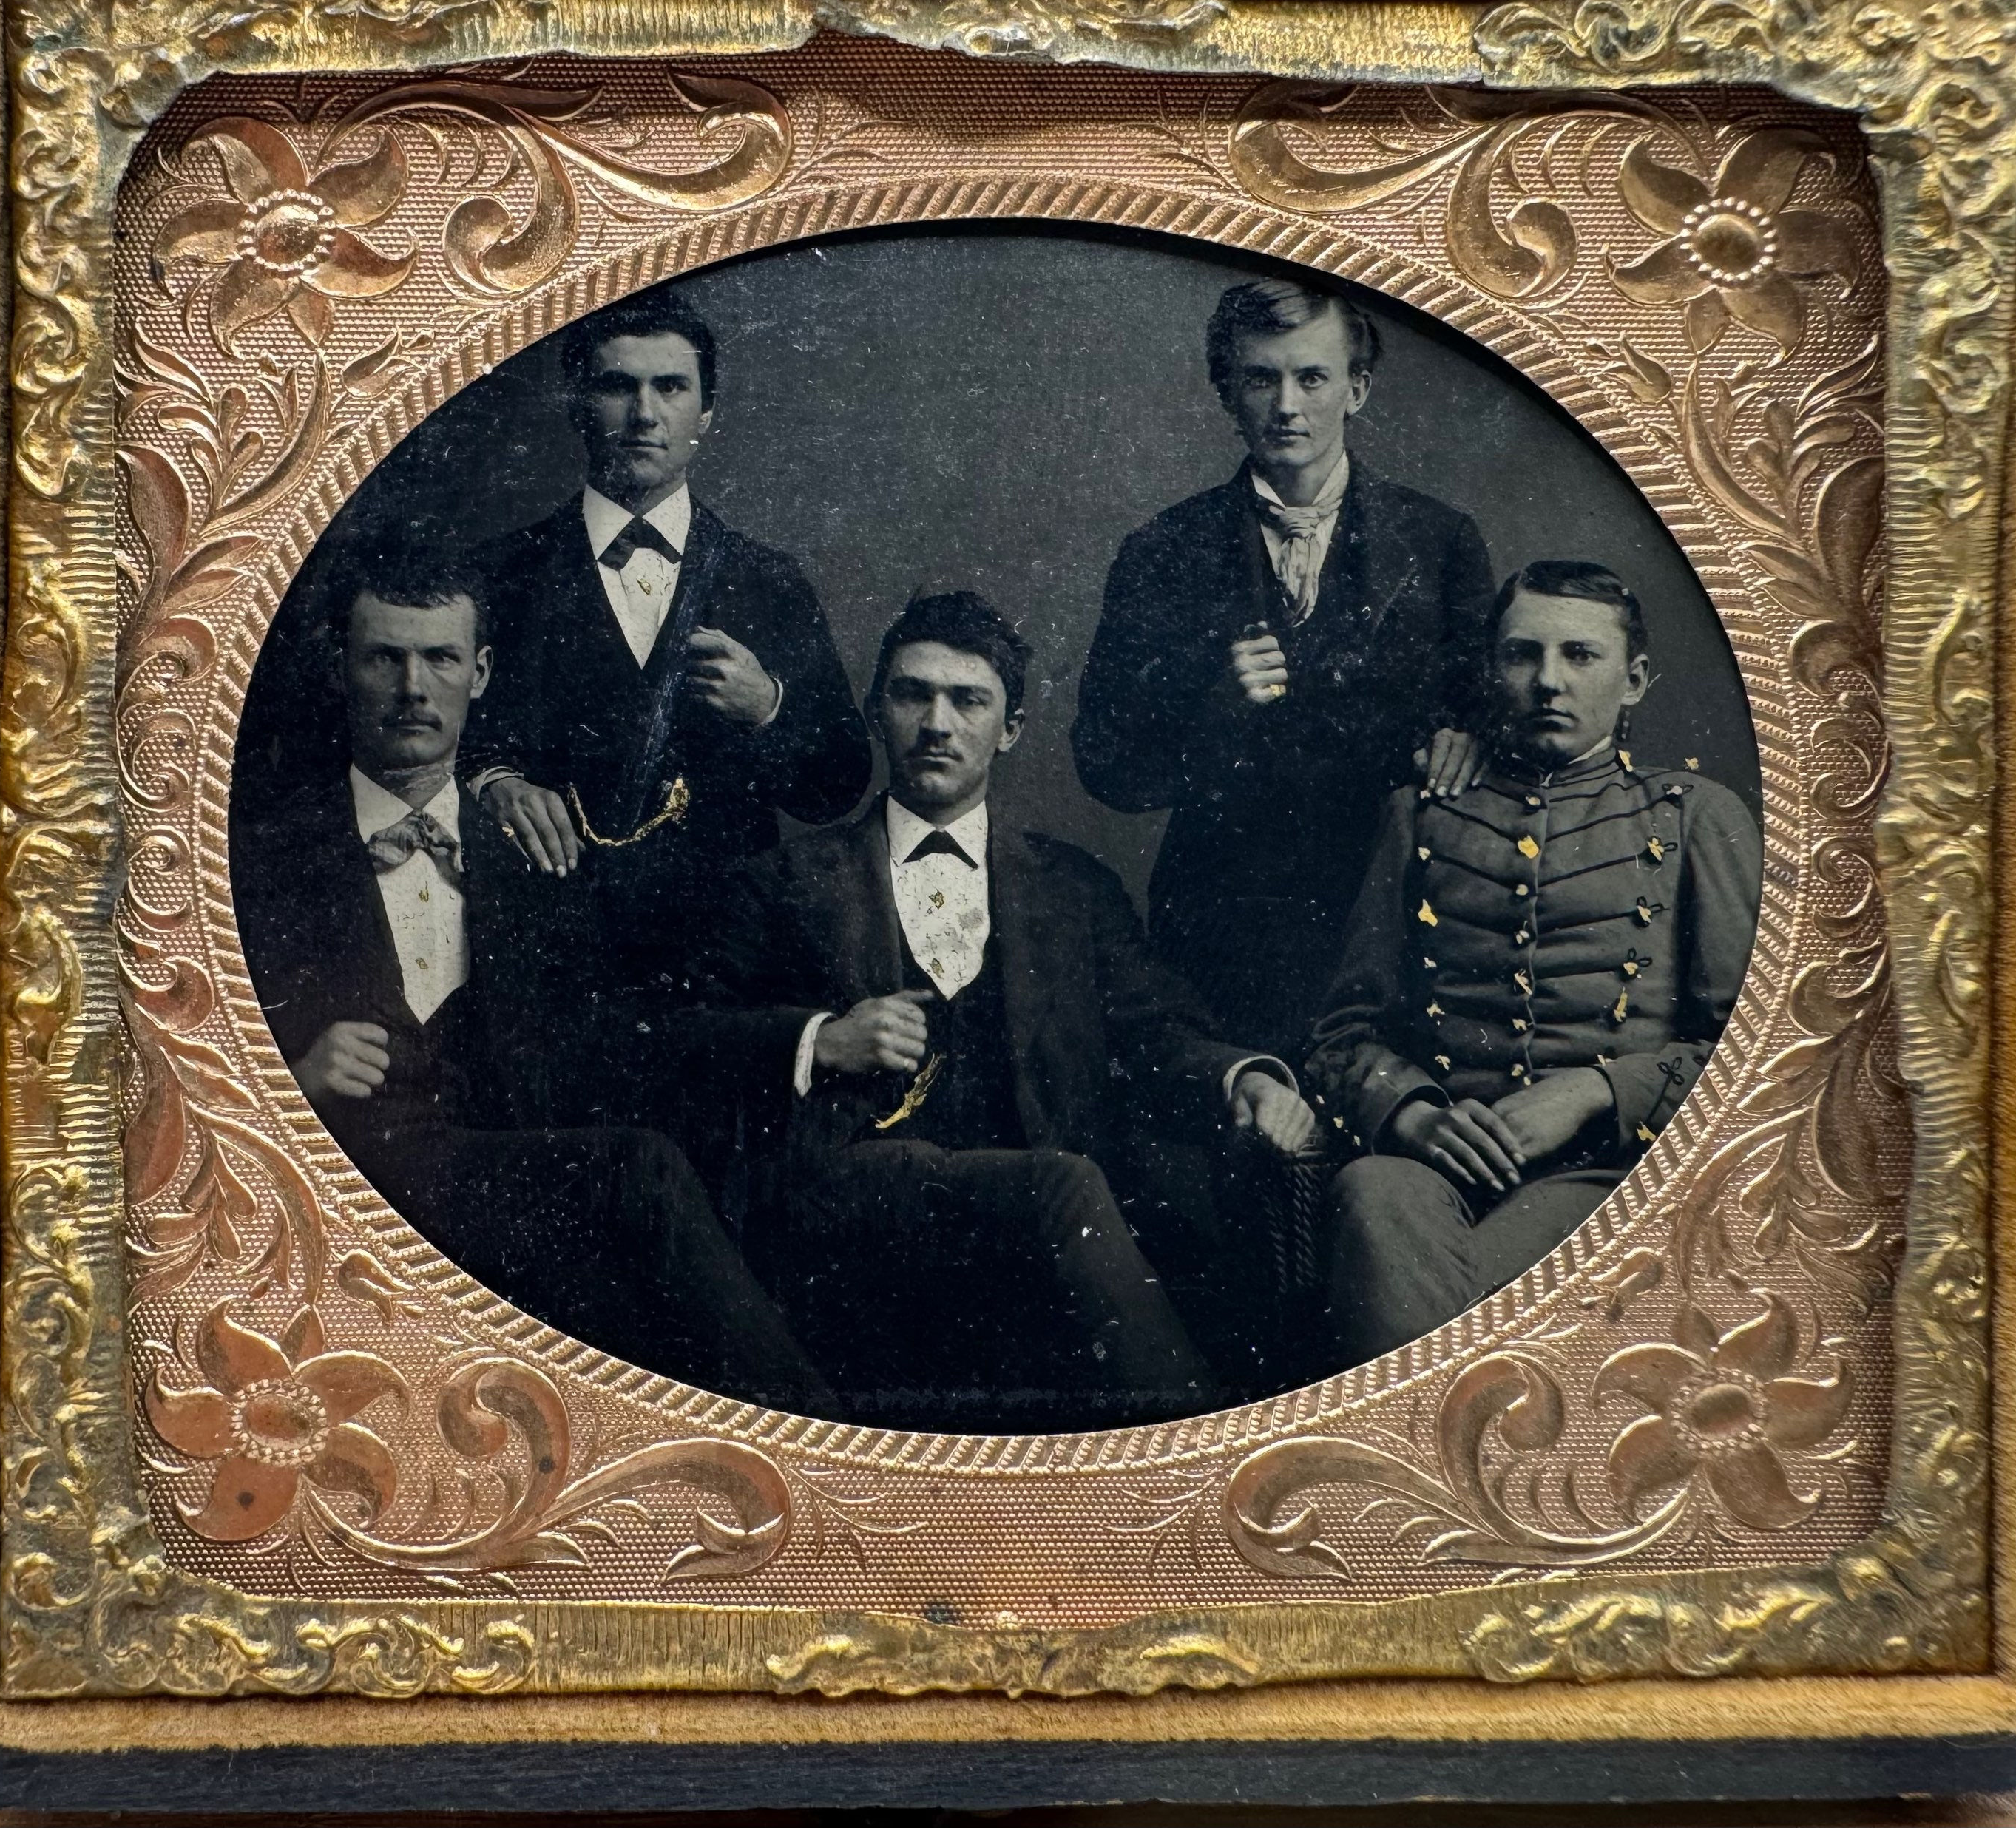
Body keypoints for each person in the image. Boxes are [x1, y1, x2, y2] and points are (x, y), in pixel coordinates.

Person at [694, 591, 1321, 1429]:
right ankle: (1209, 1444)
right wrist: (821, 1039)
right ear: (879, 710)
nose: (937, 723)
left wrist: (1242, 1077)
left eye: (969, 699)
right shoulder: (786, 881)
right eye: (913, 693)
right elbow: (677, 1034)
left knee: (1092, 1197)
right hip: (853, 1204)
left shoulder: (1073, 887)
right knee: (1067, 1185)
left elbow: (1157, 1029)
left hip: (1032, 1220)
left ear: (1012, 728)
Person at [230, 546, 830, 1410]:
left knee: (645, 1195)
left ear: (480, 674)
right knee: (635, 1184)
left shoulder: (534, 849)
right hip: (340, 1188)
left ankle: (796, 1442)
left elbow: (612, 1038)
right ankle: (818, 1437)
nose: (412, 687)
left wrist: (799, 1039)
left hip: (496, 1182)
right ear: (340, 670)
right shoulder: (257, 855)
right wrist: (291, 1080)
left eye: (438, 658)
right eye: (383, 657)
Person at [1303, 560, 1761, 1366]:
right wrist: (1418, 1116)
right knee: (1372, 1193)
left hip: (1610, 1172)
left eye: (1580, 656)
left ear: (1635, 680)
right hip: (1437, 1162)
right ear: (1492, 669)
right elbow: (1342, 1033)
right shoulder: (1422, 813)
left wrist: (1596, 1090)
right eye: (1522, 655)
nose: (1548, 681)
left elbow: (1756, 1058)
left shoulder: (1697, 819)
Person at [1073, 276, 1495, 1055]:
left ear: (1357, 388)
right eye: (1261, 378)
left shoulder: (1440, 542)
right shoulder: (1161, 551)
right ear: (1227, 392)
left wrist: (1471, 735)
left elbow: (1495, 716)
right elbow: (1105, 767)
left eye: (1312, 377)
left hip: (1393, 918)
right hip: (1223, 926)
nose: (1287, 405)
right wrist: (1209, 700)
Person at [463, 285, 873, 985]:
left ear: (705, 413)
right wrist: (489, 782)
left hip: (726, 963)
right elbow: (415, 737)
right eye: (618, 387)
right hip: (545, 947)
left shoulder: (768, 579)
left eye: (672, 387)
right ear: (577, 405)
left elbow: (839, 783)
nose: (645, 414)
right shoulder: (500, 573)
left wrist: (768, 707)